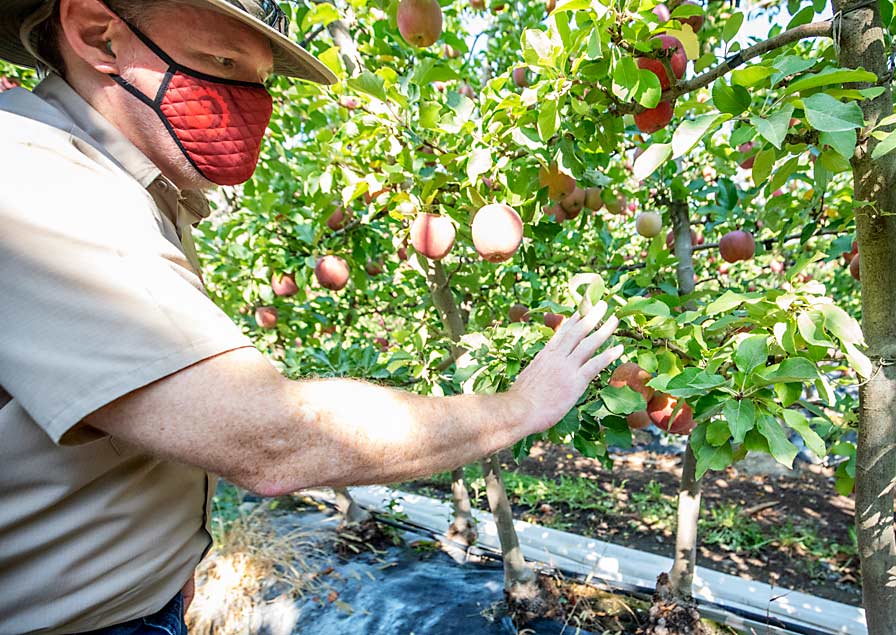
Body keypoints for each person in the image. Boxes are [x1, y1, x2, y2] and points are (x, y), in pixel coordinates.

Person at [0, 1, 623, 633]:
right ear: (98, 35)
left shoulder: (130, 189)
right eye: (221, 61)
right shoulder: (33, 181)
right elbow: (271, 439)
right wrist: (521, 406)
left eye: (260, 80)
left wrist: (160, 562)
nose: (250, 102)